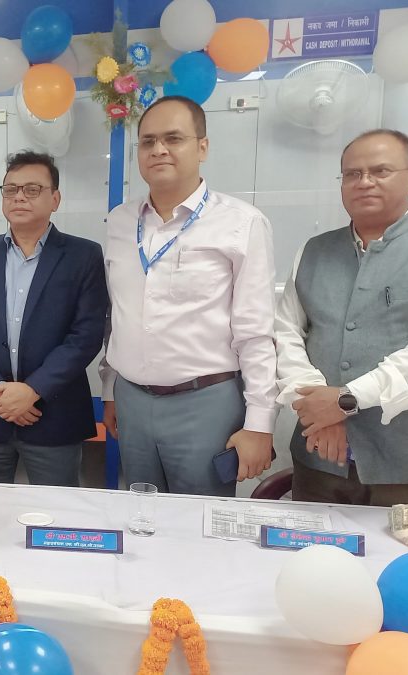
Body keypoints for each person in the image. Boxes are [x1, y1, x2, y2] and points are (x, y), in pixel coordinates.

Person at [276, 129, 408, 506]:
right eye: (352, 174)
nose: (364, 182)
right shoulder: (314, 250)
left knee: (406, 547)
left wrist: (345, 400)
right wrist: (316, 409)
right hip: (320, 460)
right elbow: (286, 333)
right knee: (315, 545)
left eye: (380, 171)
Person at [100, 97, 278, 497]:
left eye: (173, 139)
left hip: (205, 403)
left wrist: (259, 423)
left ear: (202, 147)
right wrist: (110, 391)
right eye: (148, 142)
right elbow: (118, 315)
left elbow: (255, 331)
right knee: (141, 514)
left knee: (202, 521)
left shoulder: (241, 222)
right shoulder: (120, 221)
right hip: (131, 400)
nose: (159, 150)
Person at [0, 151, 107, 486]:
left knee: (56, 511)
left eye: (32, 189)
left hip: (54, 413)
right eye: (11, 189)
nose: (19, 196)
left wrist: (33, 390)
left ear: (55, 199)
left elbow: (86, 335)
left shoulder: (83, 256)